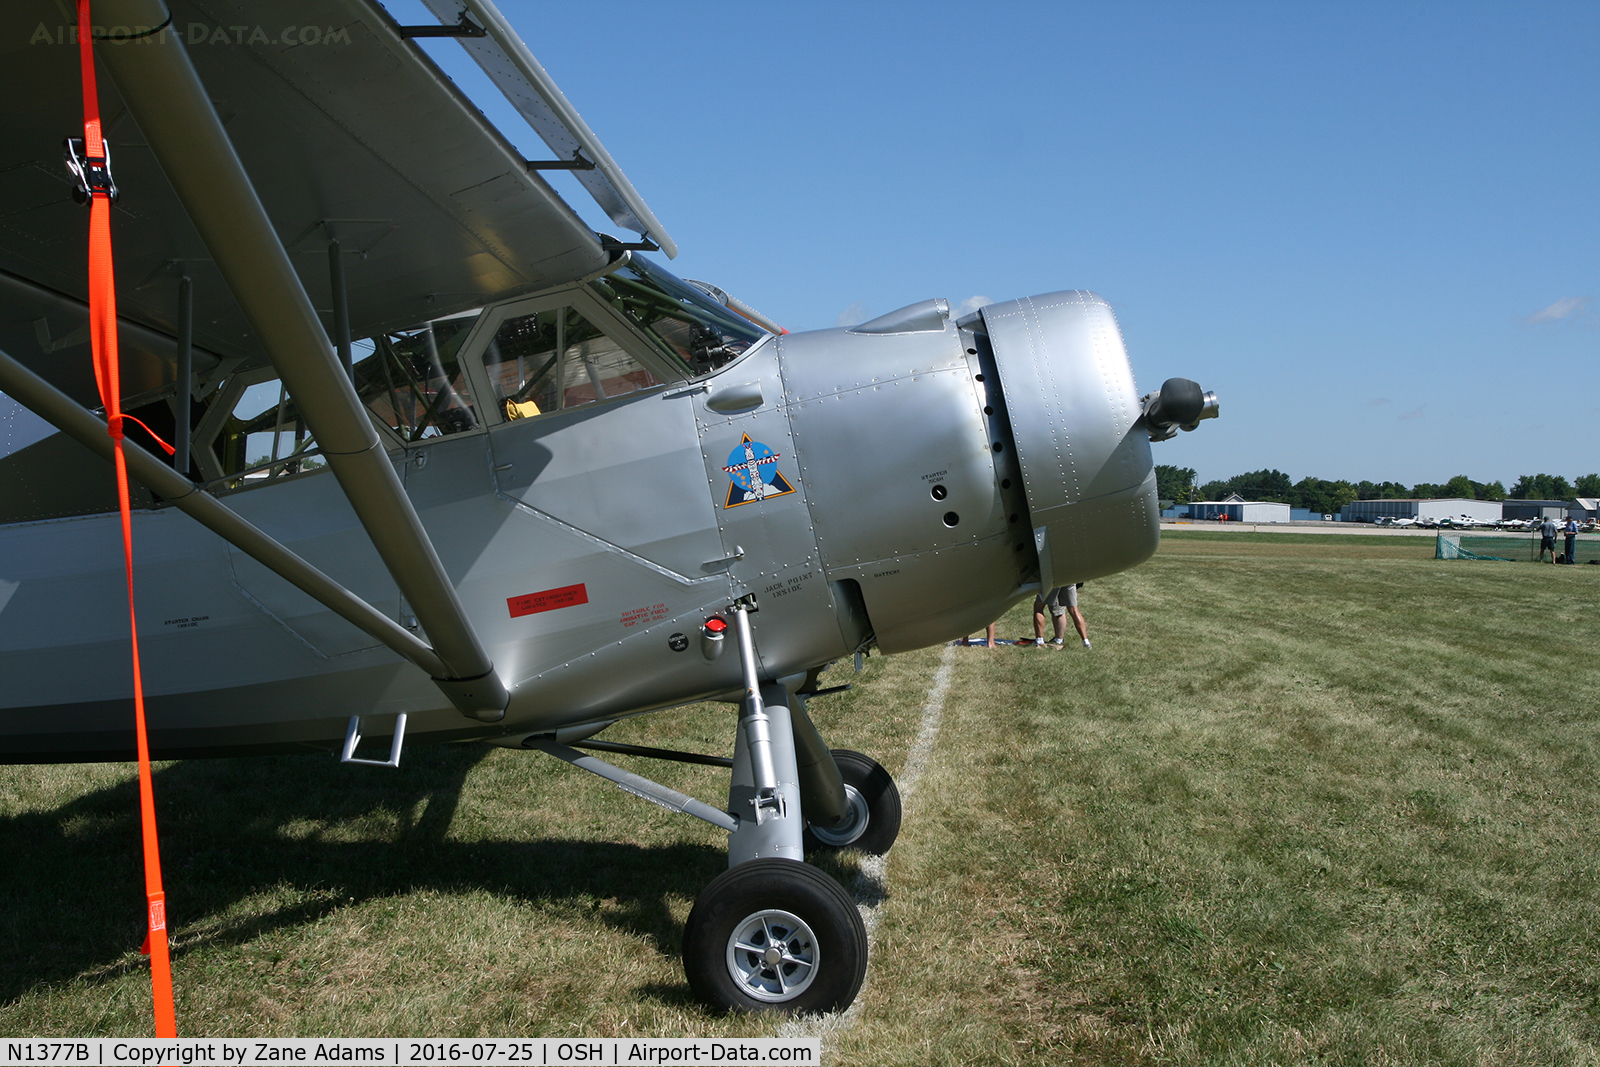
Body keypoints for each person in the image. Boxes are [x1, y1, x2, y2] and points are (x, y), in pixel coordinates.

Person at [1033, 584, 1090, 648]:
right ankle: (1085, 641)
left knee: (1039, 607)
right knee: (1073, 610)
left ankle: (1039, 640)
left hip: (1052, 579)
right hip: (1069, 579)